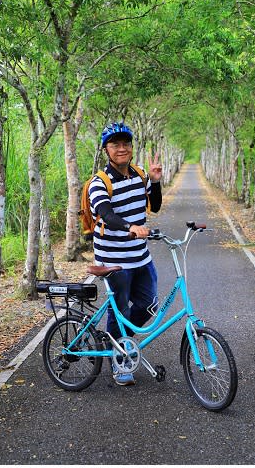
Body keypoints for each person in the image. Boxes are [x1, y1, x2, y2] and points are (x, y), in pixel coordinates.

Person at [88, 121, 163, 385]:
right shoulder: (100, 182)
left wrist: (155, 181)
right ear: (106, 150)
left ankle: (121, 341)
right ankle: (119, 362)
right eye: (115, 144)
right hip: (114, 259)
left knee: (150, 303)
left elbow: (154, 205)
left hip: (140, 256)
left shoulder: (140, 175)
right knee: (118, 310)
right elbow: (105, 213)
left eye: (126, 144)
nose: (122, 148)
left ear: (131, 147)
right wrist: (130, 226)